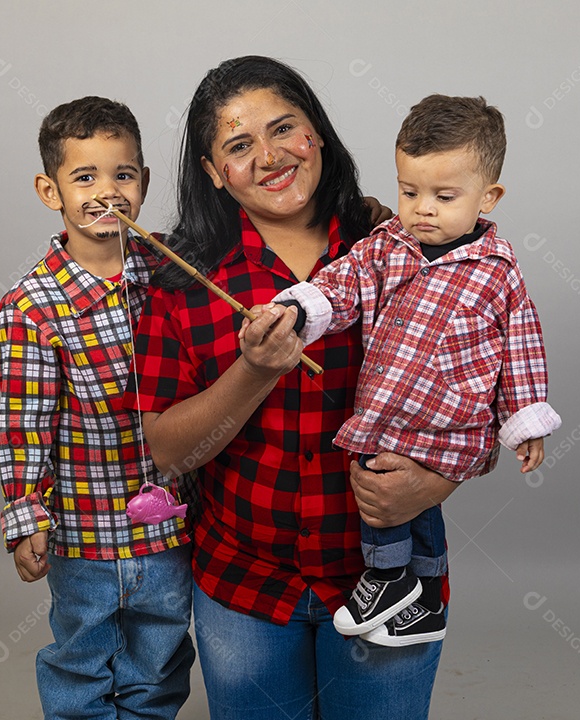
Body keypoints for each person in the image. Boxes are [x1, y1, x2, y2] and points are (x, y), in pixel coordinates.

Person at [124, 56, 453, 720]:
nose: (270, 156)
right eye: (239, 146)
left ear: (319, 135)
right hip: (243, 587)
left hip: (387, 581)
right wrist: (257, 370)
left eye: (284, 129)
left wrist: (436, 483)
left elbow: (477, 395)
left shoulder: (400, 249)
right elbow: (170, 454)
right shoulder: (182, 280)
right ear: (214, 172)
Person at [272, 94, 562, 645]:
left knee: (410, 500)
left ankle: (387, 577)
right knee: (384, 485)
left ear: (488, 197)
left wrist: (524, 419)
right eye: (409, 192)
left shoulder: (497, 272)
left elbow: (521, 346)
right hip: (387, 409)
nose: (423, 208)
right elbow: (343, 285)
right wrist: (300, 307)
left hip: (454, 420)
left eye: (444, 196)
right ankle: (418, 594)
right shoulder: (387, 247)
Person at [0, 96, 194, 720]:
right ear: (49, 190)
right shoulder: (31, 307)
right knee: (81, 657)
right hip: (82, 532)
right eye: (85, 177)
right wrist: (25, 514)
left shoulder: (168, 269)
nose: (107, 192)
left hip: (168, 525)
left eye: (124, 175)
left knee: (160, 659)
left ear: (143, 181)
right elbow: (24, 422)